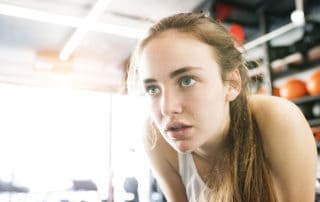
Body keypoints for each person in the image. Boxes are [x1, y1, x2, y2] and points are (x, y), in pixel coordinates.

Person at [127, 12, 318, 202]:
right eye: (152, 89)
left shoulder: (278, 120)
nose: (167, 108)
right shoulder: (155, 137)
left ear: (232, 84)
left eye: (187, 80)